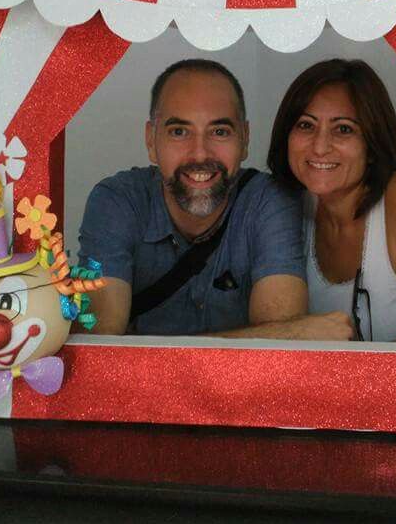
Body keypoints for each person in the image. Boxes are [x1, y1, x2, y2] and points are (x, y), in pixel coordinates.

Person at [79, 59, 353, 339]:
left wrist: (282, 334)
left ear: (245, 140)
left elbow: (276, 357)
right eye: (179, 132)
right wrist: (283, 333)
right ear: (151, 141)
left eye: (219, 132)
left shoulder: (269, 200)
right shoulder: (116, 202)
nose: (200, 154)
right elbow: (102, 344)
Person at [267, 59, 396, 341]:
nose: (320, 146)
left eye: (343, 129)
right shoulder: (281, 204)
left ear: (372, 143)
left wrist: (356, 375)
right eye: (306, 125)